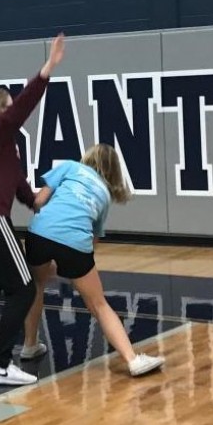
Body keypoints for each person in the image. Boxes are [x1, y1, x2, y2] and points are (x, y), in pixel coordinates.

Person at [0, 33, 65, 386]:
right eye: (7, 106)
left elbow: (29, 198)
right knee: (24, 288)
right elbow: (21, 109)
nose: (12, 110)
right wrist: (46, 70)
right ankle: (0, 365)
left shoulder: (0, 150)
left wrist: (57, 185)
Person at [22, 144, 165, 377]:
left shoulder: (68, 167)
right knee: (98, 304)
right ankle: (132, 359)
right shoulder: (105, 195)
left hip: (39, 233)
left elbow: (38, 201)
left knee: (36, 286)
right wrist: (72, 264)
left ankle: (29, 345)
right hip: (76, 242)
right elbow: (93, 239)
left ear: (87, 158)